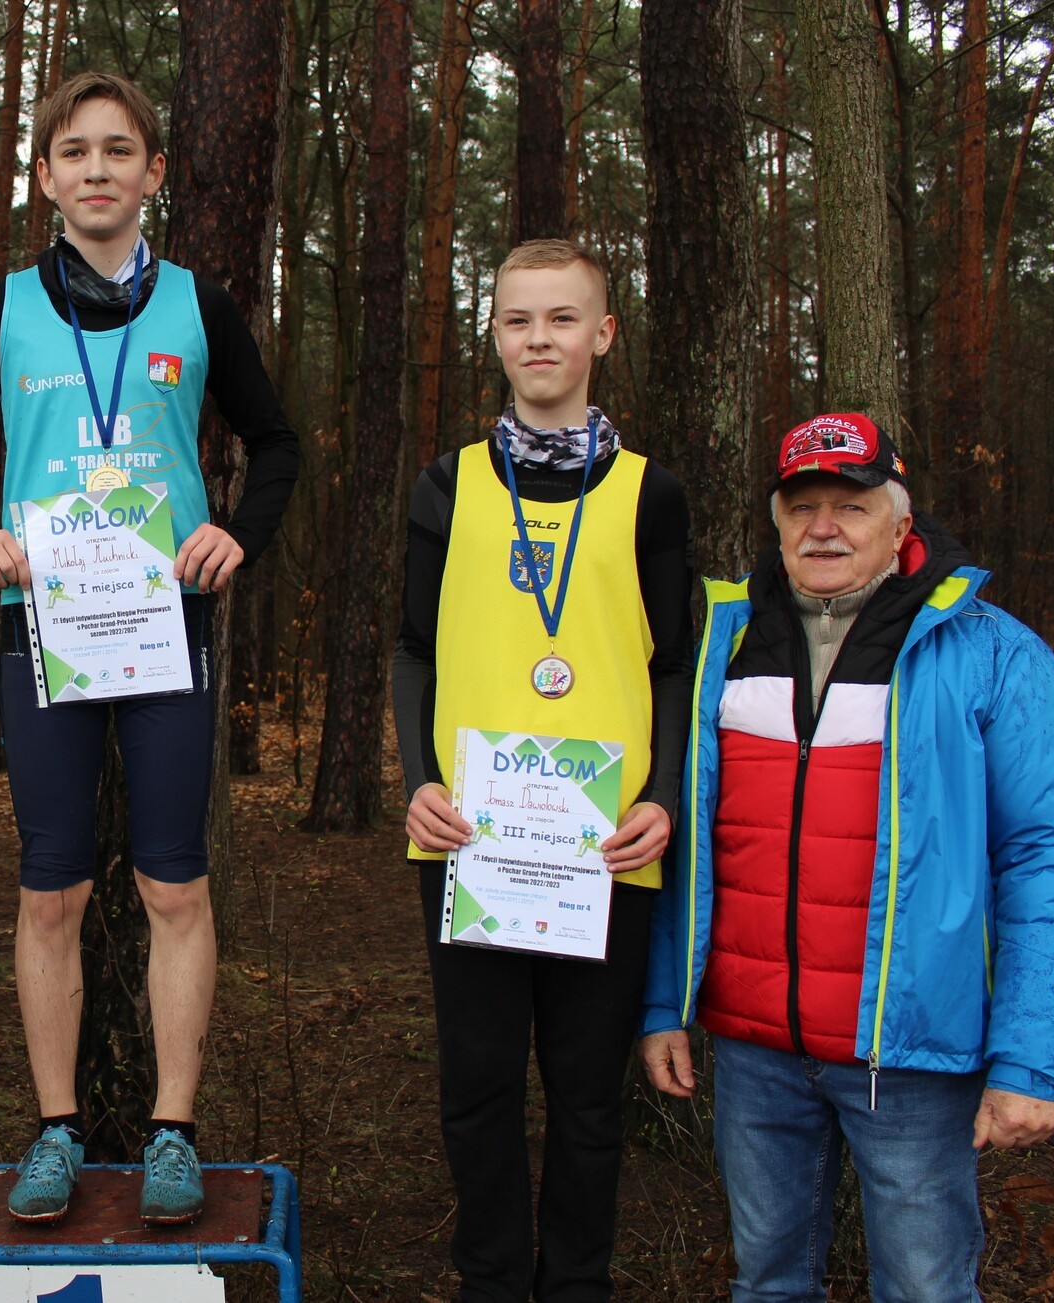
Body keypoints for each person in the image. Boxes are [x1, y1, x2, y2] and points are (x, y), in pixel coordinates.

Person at [0, 70, 299, 1226]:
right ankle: (56, 1129)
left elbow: (277, 441)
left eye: (118, 150)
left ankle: (174, 1132)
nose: (96, 170)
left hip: (166, 621)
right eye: (73, 151)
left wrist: (239, 534)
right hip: (45, 627)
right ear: (44, 177)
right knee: (53, 891)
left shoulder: (198, 304)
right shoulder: (6, 307)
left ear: (153, 172)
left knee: (174, 882)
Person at [639, 414, 1054, 1303]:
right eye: (801, 506)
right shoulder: (724, 647)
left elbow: (1046, 856)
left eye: (851, 506)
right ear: (777, 523)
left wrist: (1034, 1059)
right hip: (755, 1050)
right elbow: (687, 841)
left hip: (913, 1054)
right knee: (767, 1282)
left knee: (925, 1290)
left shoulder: (989, 653)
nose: (824, 527)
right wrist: (666, 1002)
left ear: (900, 521)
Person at [391, 238, 693, 1301]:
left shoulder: (652, 495)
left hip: (606, 847)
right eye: (519, 319)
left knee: (589, 1097)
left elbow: (673, 663)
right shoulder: (449, 485)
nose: (540, 339)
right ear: (494, 335)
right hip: (470, 841)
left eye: (563, 318)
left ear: (602, 333)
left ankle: (576, 1285)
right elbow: (415, 648)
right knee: (477, 1089)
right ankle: (490, 1282)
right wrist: (418, 778)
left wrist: (663, 799)